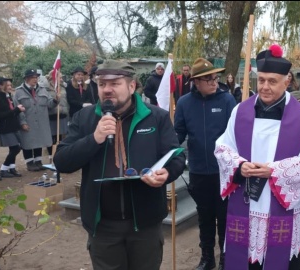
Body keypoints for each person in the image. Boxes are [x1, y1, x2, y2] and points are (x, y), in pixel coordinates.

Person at [53, 59, 186, 270]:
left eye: (115, 83)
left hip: (145, 224)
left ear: (131, 86)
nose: (107, 89)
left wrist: (167, 173)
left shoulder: (156, 117)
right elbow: (61, 162)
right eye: (102, 83)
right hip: (102, 225)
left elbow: (177, 157)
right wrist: (94, 138)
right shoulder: (85, 118)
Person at [214, 44, 300, 270]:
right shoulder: (239, 111)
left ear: (287, 81)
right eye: (261, 80)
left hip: (283, 208)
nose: (264, 87)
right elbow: (223, 148)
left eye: (272, 81)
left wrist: (273, 171)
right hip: (246, 206)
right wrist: (240, 165)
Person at [174, 58, 237, 270]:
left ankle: (225, 260)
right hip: (199, 171)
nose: (214, 82)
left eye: (216, 78)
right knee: (205, 217)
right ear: (196, 82)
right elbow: (178, 134)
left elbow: (236, 135)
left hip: (224, 173)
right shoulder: (184, 103)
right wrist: (168, 147)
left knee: (224, 217)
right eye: (208, 79)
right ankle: (207, 258)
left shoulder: (227, 101)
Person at [14, 69, 60, 172]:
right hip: (28, 120)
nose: (35, 79)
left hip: (41, 121)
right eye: (33, 77)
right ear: (26, 79)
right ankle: (30, 162)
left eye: (36, 77)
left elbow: (49, 104)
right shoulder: (18, 92)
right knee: (28, 142)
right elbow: (18, 109)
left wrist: (55, 100)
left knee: (39, 140)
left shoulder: (42, 90)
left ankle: (38, 161)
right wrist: (23, 122)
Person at [0, 77, 25, 178]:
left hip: (13, 125)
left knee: (13, 148)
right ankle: (3, 169)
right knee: (16, 148)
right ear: (1, 86)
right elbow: (0, 115)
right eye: (8, 85)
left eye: (11, 85)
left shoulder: (8, 96)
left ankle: (12, 168)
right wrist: (17, 110)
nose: (10, 87)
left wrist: (18, 110)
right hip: (6, 127)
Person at [43, 69, 69, 162]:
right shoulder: (45, 88)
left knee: (62, 137)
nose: (62, 79)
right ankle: (51, 157)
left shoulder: (63, 87)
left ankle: (60, 156)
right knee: (52, 138)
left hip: (62, 115)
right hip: (52, 115)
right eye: (60, 77)